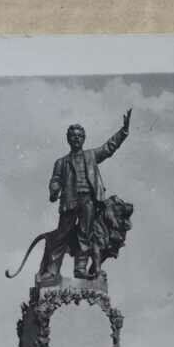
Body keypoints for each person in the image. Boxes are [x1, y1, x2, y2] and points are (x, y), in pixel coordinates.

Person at [38, 109, 131, 282]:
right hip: (69, 202)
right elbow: (56, 179)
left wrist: (123, 132)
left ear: (84, 138)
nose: (76, 139)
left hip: (88, 201)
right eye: (73, 136)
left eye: (80, 136)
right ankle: (52, 271)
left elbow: (109, 148)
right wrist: (54, 190)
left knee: (85, 234)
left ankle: (80, 269)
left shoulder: (91, 156)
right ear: (68, 138)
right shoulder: (61, 162)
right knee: (62, 235)